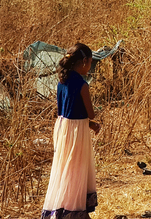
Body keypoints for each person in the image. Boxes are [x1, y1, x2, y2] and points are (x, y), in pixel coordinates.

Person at [41, 43, 101, 219]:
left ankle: (62, 209)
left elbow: (66, 112)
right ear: (84, 61)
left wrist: (89, 125)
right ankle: (75, 212)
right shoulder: (83, 85)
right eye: (90, 62)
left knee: (64, 169)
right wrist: (91, 122)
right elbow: (90, 113)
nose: (90, 67)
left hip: (63, 128)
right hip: (77, 134)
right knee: (77, 170)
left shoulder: (62, 82)